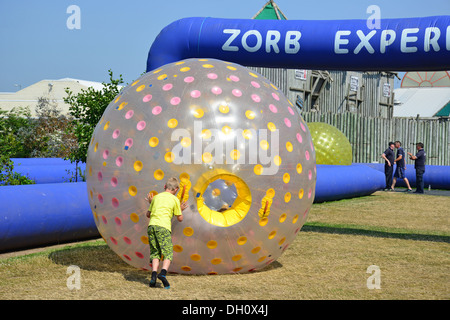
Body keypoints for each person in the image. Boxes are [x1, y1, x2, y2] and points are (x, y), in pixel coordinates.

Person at [146, 177, 188, 289]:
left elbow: (148, 214)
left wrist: (151, 203)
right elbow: (180, 218)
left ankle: (153, 277)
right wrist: (180, 210)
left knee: (155, 252)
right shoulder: (174, 200)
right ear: (176, 189)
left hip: (151, 227)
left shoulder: (156, 197)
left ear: (164, 187)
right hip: (163, 227)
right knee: (168, 253)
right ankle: (163, 273)